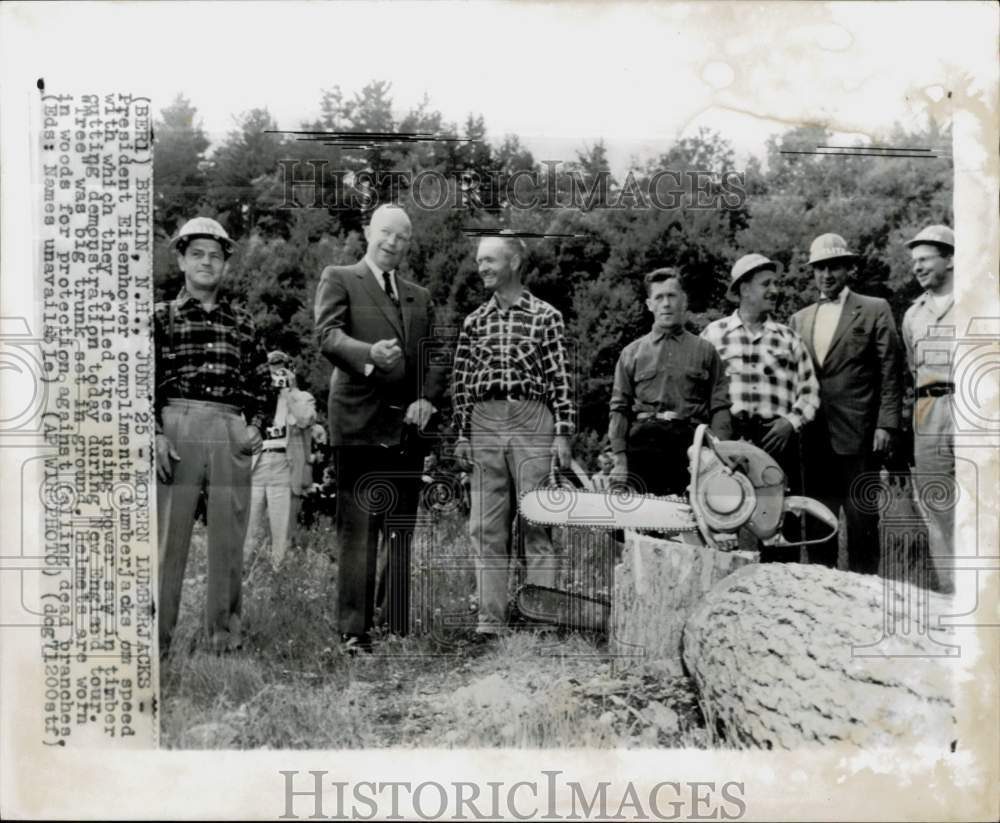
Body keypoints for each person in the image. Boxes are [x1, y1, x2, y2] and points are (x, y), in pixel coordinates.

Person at [314, 204, 446, 650]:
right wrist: (369, 355)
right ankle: (354, 631)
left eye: (403, 237)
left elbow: (434, 354)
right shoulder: (340, 277)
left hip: (408, 429)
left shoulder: (420, 296)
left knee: (400, 527)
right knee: (358, 529)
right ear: (368, 232)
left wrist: (427, 397)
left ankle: (395, 623)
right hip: (357, 423)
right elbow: (328, 336)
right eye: (386, 233)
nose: (393, 243)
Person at [154, 216, 271, 655]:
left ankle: (223, 641)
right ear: (182, 259)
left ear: (225, 264)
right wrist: (156, 434)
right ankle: (156, 642)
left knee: (228, 540)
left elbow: (262, 379)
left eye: (216, 256)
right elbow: (145, 380)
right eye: (197, 254)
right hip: (176, 425)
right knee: (167, 542)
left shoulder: (242, 322)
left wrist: (256, 424)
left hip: (228, 426)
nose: (207, 263)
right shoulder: (160, 318)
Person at [452, 232, 575, 640]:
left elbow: (560, 378)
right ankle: (491, 620)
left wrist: (562, 433)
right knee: (485, 526)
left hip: (532, 417)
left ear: (514, 263)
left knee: (537, 520)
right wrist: (462, 433)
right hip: (484, 421)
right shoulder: (474, 322)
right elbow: (462, 382)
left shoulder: (546, 317)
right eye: (479, 261)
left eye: (490, 260)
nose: (482, 267)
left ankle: (543, 617)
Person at [789, 234, 903, 573]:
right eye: (820, 268)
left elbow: (891, 371)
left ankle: (864, 599)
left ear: (848, 269)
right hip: (812, 438)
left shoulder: (874, 308)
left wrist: (886, 424)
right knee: (820, 523)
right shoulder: (799, 319)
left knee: (862, 523)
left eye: (834, 267)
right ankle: (824, 601)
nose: (826, 275)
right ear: (813, 273)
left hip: (860, 434)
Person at [701, 253, 820, 560]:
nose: (774, 290)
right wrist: (718, 436)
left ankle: (780, 597)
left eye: (775, 283)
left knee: (778, 526)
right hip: (729, 441)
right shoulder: (713, 335)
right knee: (723, 519)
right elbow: (699, 390)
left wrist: (790, 423)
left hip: (776, 438)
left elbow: (809, 393)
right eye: (766, 284)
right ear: (743, 289)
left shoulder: (788, 338)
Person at [608, 268, 732, 496]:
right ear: (649, 305)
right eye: (659, 297)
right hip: (644, 446)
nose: (666, 303)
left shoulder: (706, 351)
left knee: (692, 520)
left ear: (684, 301)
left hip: (691, 449)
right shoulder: (631, 353)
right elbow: (619, 409)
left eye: (672, 296)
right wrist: (620, 459)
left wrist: (717, 456)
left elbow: (720, 407)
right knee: (642, 523)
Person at [901, 224, 956, 594]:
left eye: (925, 259)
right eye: (913, 262)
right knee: (937, 504)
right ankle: (952, 590)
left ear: (950, 259)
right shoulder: (912, 316)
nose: (917, 267)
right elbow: (912, 368)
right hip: (928, 411)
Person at [242, 351, 317, 571]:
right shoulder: (256, 395)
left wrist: (290, 390)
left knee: (281, 527)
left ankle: (279, 573)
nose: (276, 375)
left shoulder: (301, 397)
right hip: (256, 462)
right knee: (249, 526)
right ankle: (244, 572)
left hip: (284, 462)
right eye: (272, 369)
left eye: (281, 369)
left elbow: (305, 419)